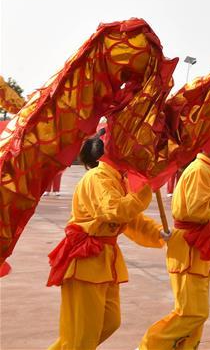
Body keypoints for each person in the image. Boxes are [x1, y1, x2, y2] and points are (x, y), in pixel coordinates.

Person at [47, 136, 167, 350]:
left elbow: (130, 219)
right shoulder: (97, 177)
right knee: (83, 333)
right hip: (86, 258)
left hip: (104, 259)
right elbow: (114, 211)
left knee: (108, 322)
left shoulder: (117, 179)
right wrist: (145, 189)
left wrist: (159, 232)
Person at [139, 133, 210, 349]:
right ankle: (150, 345)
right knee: (191, 313)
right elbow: (198, 210)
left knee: (196, 314)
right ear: (207, 143)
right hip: (188, 247)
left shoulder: (207, 170)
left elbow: (204, 213)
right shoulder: (199, 171)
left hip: (197, 247)